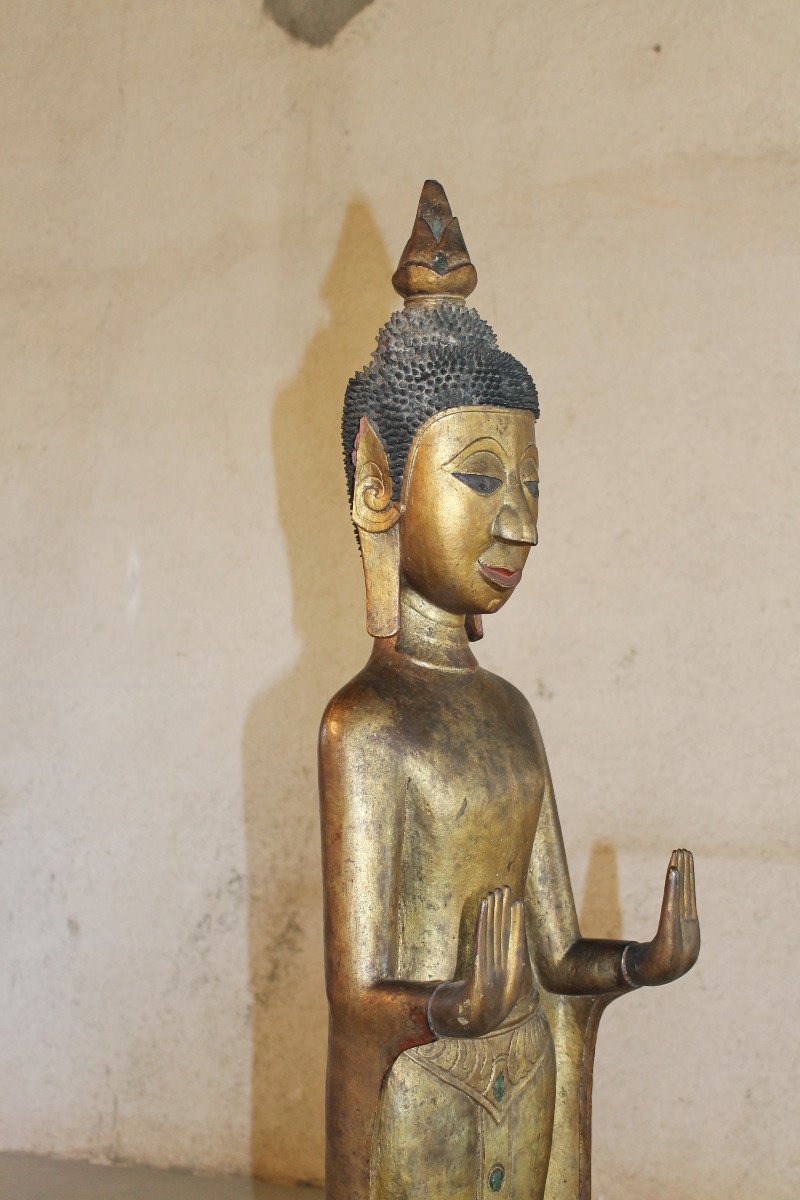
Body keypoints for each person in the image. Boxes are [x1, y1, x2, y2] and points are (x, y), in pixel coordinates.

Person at [319, 182, 699, 1200]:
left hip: (520, 1071)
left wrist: (628, 964)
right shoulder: (365, 725)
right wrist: (445, 1008)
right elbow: (355, 995)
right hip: (424, 1093)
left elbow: (552, 946)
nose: (519, 524)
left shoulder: (507, 715)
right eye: (482, 480)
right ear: (376, 481)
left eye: (531, 486)